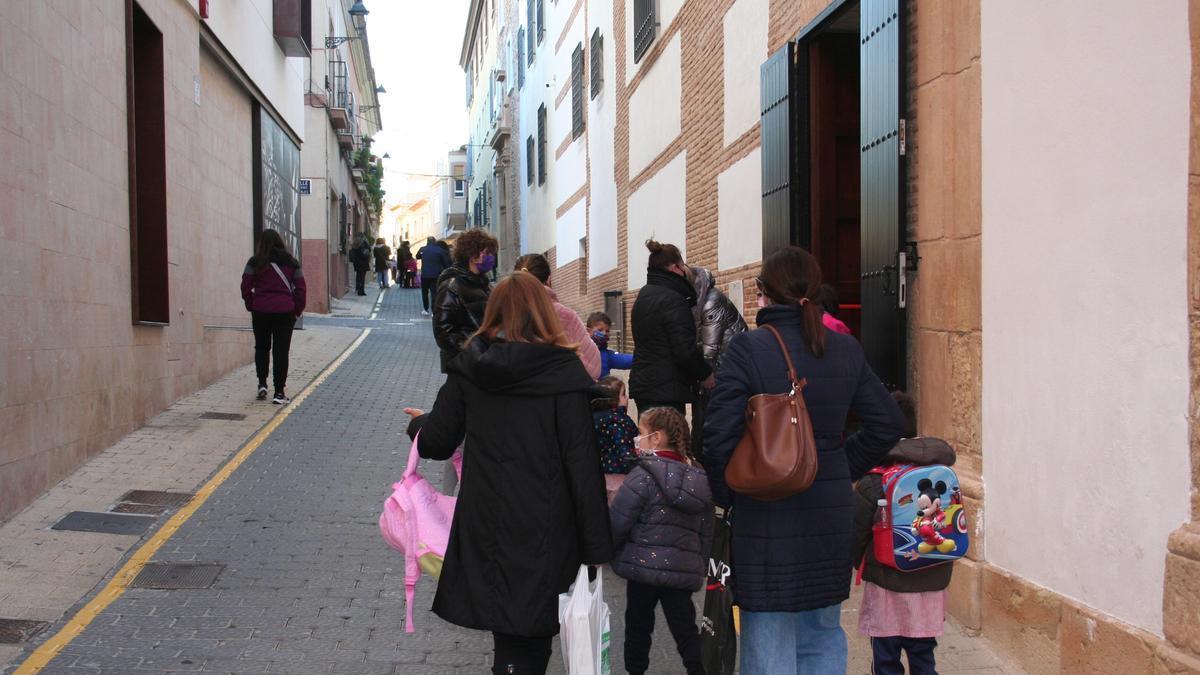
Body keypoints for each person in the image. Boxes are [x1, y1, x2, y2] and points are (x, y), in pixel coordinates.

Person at [702, 246, 906, 674]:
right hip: (829, 516)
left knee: (769, 639)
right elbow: (888, 422)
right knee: (822, 632)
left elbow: (718, 438)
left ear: (763, 294)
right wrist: (836, 465)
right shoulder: (845, 349)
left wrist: (731, 496)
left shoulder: (748, 350)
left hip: (765, 516)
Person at [408, 271, 613, 675]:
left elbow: (437, 441)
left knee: (507, 628)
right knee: (534, 632)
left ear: (494, 311)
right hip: (548, 525)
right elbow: (582, 465)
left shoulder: (471, 364)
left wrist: (419, 425)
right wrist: (596, 550)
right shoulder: (564, 374)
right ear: (543, 312)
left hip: (489, 521)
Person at [852, 393, 955, 675]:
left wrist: (852, 562)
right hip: (932, 579)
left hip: (887, 584)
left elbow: (856, 531)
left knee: (886, 657)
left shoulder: (875, 478)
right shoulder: (940, 474)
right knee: (923, 656)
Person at [610, 406, 713, 675]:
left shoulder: (642, 476)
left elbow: (619, 520)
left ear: (656, 438)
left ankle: (636, 672)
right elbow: (707, 526)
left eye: (641, 433)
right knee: (686, 628)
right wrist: (699, 561)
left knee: (637, 628)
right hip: (681, 570)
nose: (637, 439)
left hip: (641, 568)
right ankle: (698, 669)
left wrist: (611, 549)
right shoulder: (698, 477)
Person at [629, 240, 712, 417]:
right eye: (683, 267)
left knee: (650, 441)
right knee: (669, 442)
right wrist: (706, 374)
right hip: (666, 391)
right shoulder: (674, 300)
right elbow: (684, 351)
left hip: (644, 386)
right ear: (675, 268)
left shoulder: (643, 296)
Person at [687, 265, 747, 461]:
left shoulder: (711, 301)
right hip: (716, 369)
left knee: (714, 424)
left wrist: (701, 374)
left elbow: (710, 348)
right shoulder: (698, 300)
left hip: (724, 369)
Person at [240, 229, 306, 405]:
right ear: (280, 242)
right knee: (281, 351)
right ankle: (279, 392)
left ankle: (262, 384)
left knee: (261, 347)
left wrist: (251, 304)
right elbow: (301, 289)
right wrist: (296, 310)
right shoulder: (292, 263)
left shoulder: (254, 262)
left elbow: (245, 285)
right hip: (285, 312)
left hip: (260, 310)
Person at [512, 253, 601, 380]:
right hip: (559, 394)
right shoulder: (565, 316)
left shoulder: (507, 314)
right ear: (549, 279)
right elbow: (593, 367)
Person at [432, 230, 498, 373]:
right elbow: (443, 332)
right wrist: (474, 352)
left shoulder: (484, 284)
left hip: (484, 363)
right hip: (465, 366)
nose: (491, 258)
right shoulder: (451, 286)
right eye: (487, 253)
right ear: (473, 256)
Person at [591, 376, 639, 503]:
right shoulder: (619, 422)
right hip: (619, 478)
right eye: (623, 394)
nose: (626, 398)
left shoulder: (591, 419)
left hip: (597, 476)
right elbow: (625, 452)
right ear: (614, 400)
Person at [586, 312, 634, 379]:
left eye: (607, 331)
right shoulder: (578, 351)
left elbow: (627, 360)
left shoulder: (606, 355)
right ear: (588, 331)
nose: (604, 333)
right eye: (600, 330)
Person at [417, 236, 452, 316]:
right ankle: (434, 311)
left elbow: (417, 256)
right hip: (436, 275)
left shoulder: (423, 249)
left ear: (427, 241)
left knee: (424, 292)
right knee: (434, 293)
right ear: (435, 241)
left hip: (425, 274)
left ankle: (425, 309)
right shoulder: (440, 250)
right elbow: (445, 263)